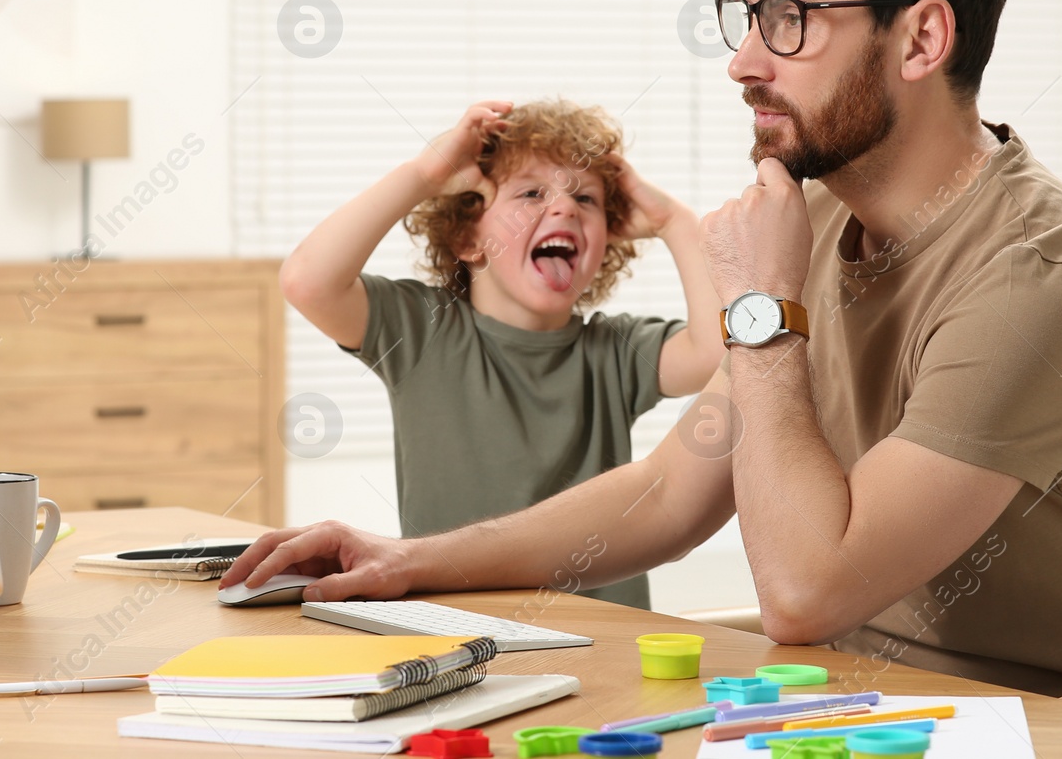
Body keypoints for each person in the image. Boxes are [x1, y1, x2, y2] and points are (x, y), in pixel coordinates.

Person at [224, 0, 1062, 694]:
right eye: (743, 18)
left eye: (787, 20)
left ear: (921, 37)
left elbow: (803, 592)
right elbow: (671, 488)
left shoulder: (1033, 278)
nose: (745, 61)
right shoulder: (822, 212)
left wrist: (760, 309)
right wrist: (408, 561)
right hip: (888, 696)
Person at [275, 98, 725, 608]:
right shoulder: (421, 331)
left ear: (606, 245)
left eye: (587, 200)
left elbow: (720, 354)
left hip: (608, 638)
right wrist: (425, 174)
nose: (563, 208)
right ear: (469, 238)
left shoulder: (615, 351)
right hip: (459, 631)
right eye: (531, 193)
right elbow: (307, 281)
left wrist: (674, 221)